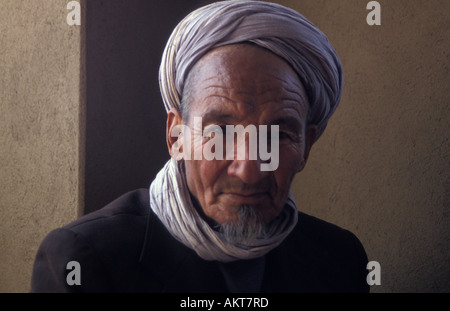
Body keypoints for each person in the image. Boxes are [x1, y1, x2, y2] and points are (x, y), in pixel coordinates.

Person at [31, 0, 369, 293]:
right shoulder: (85, 259)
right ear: (176, 138)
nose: (249, 170)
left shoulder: (340, 258)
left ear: (306, 146)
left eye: (278, 136)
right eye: (220, 132)